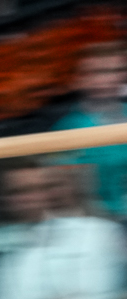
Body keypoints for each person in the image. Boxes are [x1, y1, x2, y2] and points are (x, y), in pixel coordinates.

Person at [0, 162, 127, 299]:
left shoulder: (100, 234)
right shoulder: (8, 261)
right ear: (6, 200)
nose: (35, 198)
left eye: (44, 188)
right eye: (22, 191)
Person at [54, 45, 127, 222]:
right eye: (96, 72)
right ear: (78, 79)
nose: (106, 79)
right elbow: (69, 193)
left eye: (114, 70)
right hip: (102, 222)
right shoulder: (66, 129)